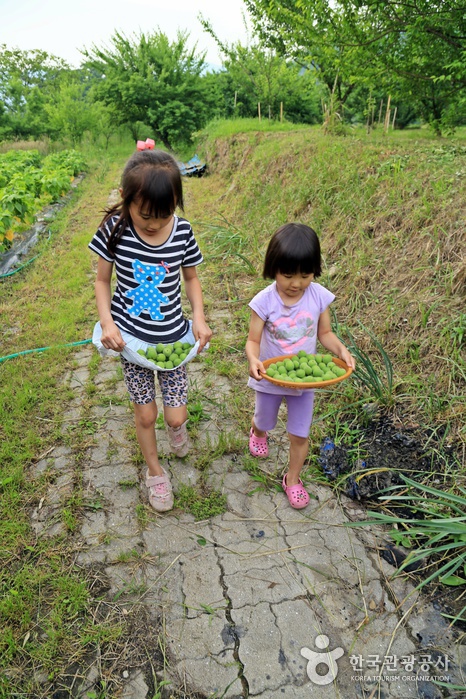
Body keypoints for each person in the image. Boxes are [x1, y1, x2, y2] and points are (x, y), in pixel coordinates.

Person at [89, 149, 212, 512]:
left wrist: (199, 317)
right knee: (146, 414)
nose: (154, 225)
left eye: (164, 215)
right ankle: (155, 473)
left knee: (176, 415)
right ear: (127, 201)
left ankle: (177, 428)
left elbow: (191, 277)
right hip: (133, 343)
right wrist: (108, 324)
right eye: (145, 216)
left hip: (172, 338)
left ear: (176, 202)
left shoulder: (183, 232)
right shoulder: (114, 229)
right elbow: (101, 281)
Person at [246, 223, 355, 509]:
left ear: (314, 271)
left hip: (304, 386)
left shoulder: (318, 296)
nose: (296, 283)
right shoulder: (264, 301)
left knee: (300, 433)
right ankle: (258, 431)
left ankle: (292, 479)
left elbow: (325, 334)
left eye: (305, 275)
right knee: (265, 419)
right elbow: (252, 340)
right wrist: (253, 359)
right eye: (288, 275)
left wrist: (341, 349)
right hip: (270, 377)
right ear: (273, 269)